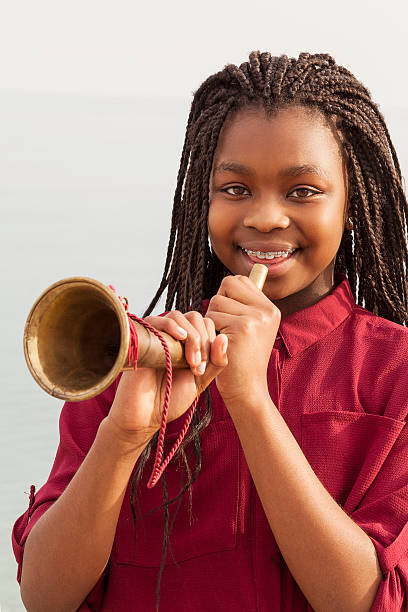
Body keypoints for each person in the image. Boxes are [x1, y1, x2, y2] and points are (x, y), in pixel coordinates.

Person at [13, 51, 408, 611]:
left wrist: (250, 401)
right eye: (235, 189)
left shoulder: (397, 372)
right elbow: (45, 598)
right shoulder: (134, 363)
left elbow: (372, 601)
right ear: (203, 195)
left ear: (353, 203)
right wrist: (124, 437)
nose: (266, 216)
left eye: (302, 191)